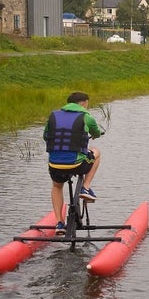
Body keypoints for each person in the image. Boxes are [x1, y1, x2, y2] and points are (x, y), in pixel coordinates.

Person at [44, 91, 104, 231]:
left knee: (57, 186)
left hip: (55, 164)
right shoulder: (86, 117)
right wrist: (94, 135)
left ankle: (59, 223)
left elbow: (46, 136)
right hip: (77, 164)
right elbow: (95, 133)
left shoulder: (53, 115)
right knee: (97, 152)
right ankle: (86, 187)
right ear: (83, 103)